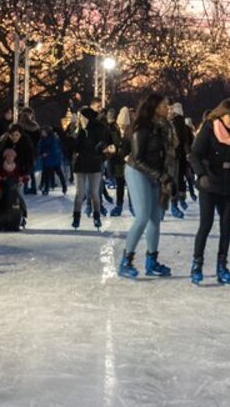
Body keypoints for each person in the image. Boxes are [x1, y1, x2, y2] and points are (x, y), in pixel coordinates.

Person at [190, 98, 230, 285]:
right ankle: (197, 264)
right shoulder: (209, 129)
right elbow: (195, 154)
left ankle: (222, 265)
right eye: (229, 116)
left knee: (226, 227)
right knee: (206, 225)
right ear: (221, 115)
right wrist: (201, 174)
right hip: (210, 184)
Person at [119, 93, 175, 279]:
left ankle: (152, 261)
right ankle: (126, 261)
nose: (168, 109)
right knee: (142, 216)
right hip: (138, 172)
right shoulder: (141, 128)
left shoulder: (164, 128)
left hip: (155, 175)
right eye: (164, 106)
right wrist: (160, 175)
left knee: (155, 217)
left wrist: (166, 175)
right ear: (155, 108)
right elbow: (137, 159)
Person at [69, 107, 113, 229]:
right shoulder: (79, 130)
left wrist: (100, 154)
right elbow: (73, 147)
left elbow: (106, 144)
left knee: (94, 193)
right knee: (80, 193)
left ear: (86, 117)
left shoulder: (99, 129)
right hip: (81, 164)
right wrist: (75, 132)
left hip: (94, 163)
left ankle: (97, 217)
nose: (79, 118)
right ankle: (76, 218)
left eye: (81, 116)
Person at [37, 126, 66, 195]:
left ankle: (64, 186)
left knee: (59, 173)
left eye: (43, 132)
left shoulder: (54, 139)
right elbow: (39, 147)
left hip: (54, 159)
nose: (42, 133)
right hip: (47, 160)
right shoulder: (42, 140)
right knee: (47, 174)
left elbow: (55, 149)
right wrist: (40, 153)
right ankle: (46, 188)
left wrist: (47, 153)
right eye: (42, 132)